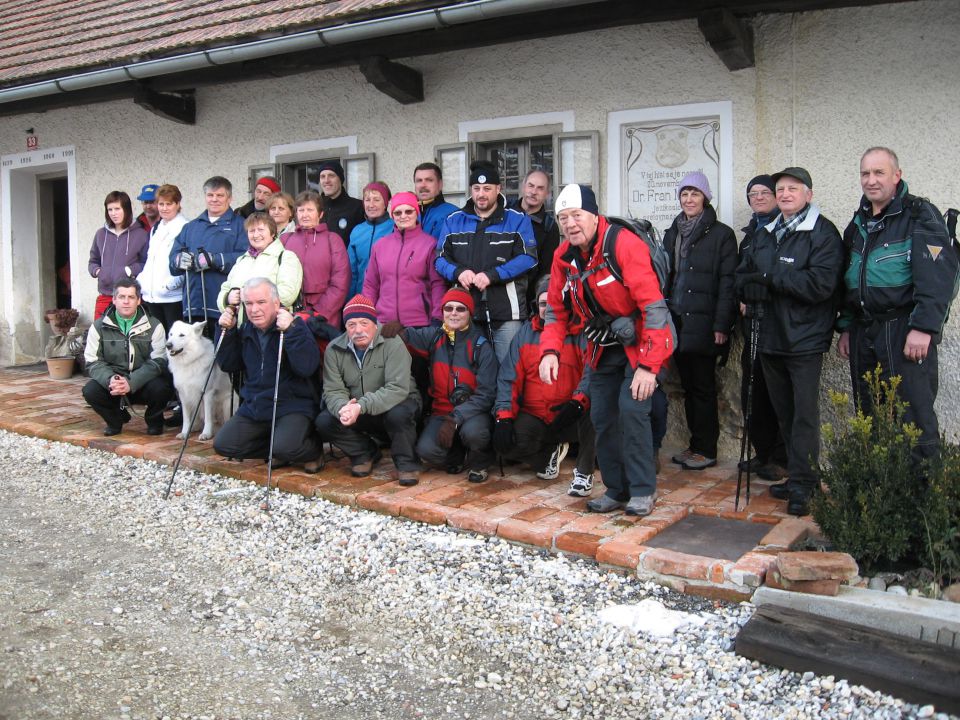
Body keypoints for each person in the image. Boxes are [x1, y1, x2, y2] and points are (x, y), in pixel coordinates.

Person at [539, 184, 673, 517]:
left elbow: (654, 308)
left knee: (633, 410)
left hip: (643, 343)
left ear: (593, 214)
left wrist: (649, 367)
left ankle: (642, 490)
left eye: (576, 215)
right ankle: (616, 489)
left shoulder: (623, 245)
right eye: (563, 218)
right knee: (602, 416)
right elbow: (556, 309)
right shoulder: (563, 257)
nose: (570, 224)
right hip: (603, 347)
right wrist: (550, 351)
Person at [837, 147, 957, 463]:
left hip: (904, 329)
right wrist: (847, 326)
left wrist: (923, 328)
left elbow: (938, 279)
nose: (871, 180)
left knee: (913, 418)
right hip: (864, 330)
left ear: (896, 176)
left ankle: (921, 504)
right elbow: (849, 278)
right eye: (865, 173)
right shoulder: (859, 222)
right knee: (870, 413)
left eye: (879, 173)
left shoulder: (919, 215)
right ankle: (881, 493)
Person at [736, 167, 844, 516]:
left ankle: (806, 484)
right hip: (768, 334)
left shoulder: (823, 233)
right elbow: (745, 272)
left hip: (804, 339)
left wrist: (770, 278)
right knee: (784, 413)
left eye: (792, 189)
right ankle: (796, 473)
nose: (784, 194)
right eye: (780, 189)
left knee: (804, 416)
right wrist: (747, 286)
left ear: (808, 194)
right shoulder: (765, 232)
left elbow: (820, 286)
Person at [494, 276, 597, 496]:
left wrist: (578, 403)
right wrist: (503, 416)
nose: (548, 309)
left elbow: (591, 373)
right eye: (543, 304)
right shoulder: (524, 334)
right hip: (537, 414)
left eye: (554, 303)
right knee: (506, 444)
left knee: (595, 413)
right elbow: (508, 378)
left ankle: (583, 472)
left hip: (572, 412)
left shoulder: (582, 332)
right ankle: (549, 451)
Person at [662, 172, 737, 470]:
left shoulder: (721, 234)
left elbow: (727, 283)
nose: (689, 199)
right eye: (684, 194)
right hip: (677, 322)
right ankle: (695, 446)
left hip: (705, 324)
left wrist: (721, 326)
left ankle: (706, 449)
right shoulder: (673, 232)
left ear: (705, 197)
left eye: (694, 193)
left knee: (703, 388)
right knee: (688, 387)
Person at [213, 277, 323, 472]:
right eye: (249, 304)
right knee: (224, 444)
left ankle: (311, 450)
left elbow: (307, 367)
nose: (254, 310)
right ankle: (277, 450)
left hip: (291, 405)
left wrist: (291, 332)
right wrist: (226, 333)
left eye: (261, 302)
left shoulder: (294, 326)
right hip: (256, 406)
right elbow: (229, 364)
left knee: (285, 446)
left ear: (276, 302)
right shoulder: (246, 330)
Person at [435, 160, 537, 363]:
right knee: (468, 370)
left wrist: (493, 275)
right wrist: (458, 272)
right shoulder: (453, 220)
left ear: (498, 189)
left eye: (487, 188)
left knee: (508, 370)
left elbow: (529, 258)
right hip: (465, 312)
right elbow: (439, 259)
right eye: (476, 188)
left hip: (507, 313)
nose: (481, 194)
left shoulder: (517, 219)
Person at [316, 295, 422, 485]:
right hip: (359, 408)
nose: (358, 330)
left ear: (375, 324)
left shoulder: (392, 343)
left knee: (399, 414)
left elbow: (397, 388)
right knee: (325, 420)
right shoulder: (334, 349)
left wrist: (361, 406)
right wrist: (343, 407)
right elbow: (332, 390)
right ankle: (364, 453)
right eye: (351, 325)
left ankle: (407, 463)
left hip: (396, 404)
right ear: (345, 327)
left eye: (364, 323)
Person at [404, 287, 497, 483]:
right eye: (449, 308)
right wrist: (396, 330)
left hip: (472, 413)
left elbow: (487, 395)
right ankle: (457, 453)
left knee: (474, 434)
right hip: (442, 412)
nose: (453, 313)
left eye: (460, 309)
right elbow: (408, 336)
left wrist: (456, 418)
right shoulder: (436, 336)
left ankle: (480, 462)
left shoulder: (481, 346)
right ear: (442, 311)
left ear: (470, 313)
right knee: (426, 451)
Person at [738, 175, 788, 480]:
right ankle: (764, 451)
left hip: (780, 325)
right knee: (752, 391)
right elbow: (740, 274)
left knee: (778, 393)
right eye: (752, 193)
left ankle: (781, 457)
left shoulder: (783, 229)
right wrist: (743, 295)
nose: (758, 198)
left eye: (764, 192)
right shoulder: (751, 232)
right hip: (752, 322)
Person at [82, 278, 173, 436]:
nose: (126, 301)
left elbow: (158, 361)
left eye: (131, 297)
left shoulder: (154, 325)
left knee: (163, 387)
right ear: (114, 300)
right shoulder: (98, 326)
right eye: (122, 297)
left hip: (143, 381)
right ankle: (115, 420)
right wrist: (111, 379)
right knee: (90, 391)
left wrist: (132, 382)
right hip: (114, 382)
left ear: (138, 300)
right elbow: (93, 361)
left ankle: (154, 421)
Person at [168, 176, 247, 337]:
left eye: (220, 195)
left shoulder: (240, 225)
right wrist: (178, 260)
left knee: (222, 358)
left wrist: (215, 260)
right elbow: (173, 261)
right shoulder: (191, 227)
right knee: (196, 358)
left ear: (229, 198)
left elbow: (246, 259)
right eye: (210, 195)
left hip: (224, 306)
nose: (214, 199)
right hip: (193, 305)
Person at [362, 192, 447, 328]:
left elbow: (437, 284)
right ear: (392, 215)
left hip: (419, 323)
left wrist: (437, 316)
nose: (403, 216)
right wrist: (367, 315)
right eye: (398, 212)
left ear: (416, 213)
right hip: (384, 323)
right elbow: (370, 284)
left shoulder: (429, 244)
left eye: (408, 211)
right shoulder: (380, 246)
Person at [282, 191, 350, 330]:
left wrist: (318, 313)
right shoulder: (285, 239)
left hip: (325, 314)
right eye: (301, 210)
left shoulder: (333, 240)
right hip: (290, 312)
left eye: (310, 210)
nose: (305, 214)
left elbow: (340, 281)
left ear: (320, 214)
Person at [218, 213, 303, 314]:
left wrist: (253, 302)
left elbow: (287, 294)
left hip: (272, 326)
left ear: (272, 233)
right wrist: (227, 298)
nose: (256, 235)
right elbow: (225, 288)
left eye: (261, 230)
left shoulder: (287, 257)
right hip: (241, 328)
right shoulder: (242, 260)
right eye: (252, 231)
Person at [88, 190, 150, 318]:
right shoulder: (101, 234)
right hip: (105, 295)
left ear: (126, 209)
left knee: (127, 335)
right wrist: (98, 271)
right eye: (110, 209)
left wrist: (128, 271)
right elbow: (93, 260)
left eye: (117, 209)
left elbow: (146, 263)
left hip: (129, 296)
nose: (113, 213)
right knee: (99, 334)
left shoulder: (141, 234)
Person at [138, 184, 187, 332]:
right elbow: (150, 261)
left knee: (175, 344)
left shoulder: (185, 227)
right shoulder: (156, 228)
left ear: (178, 204)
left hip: (173, 298)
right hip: (152, 297)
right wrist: (142, 281)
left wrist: (171, 285)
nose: (164, 208)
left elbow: (187, 264)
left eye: (169, 204)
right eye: (161, 204)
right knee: (157, 342)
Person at [508, 169, 561, 306]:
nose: (534, 191)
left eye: (540, 188)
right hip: (495, 290)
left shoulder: (549, 227)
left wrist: (535, 303)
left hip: (527, 298)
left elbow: (545, 271)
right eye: (531, 186)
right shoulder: (504, 212)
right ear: (523, 187)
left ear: (547, 194)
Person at [347, 182, 394, 297]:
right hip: (361, 297)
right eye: (367, 200)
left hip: (388, 299)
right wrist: (350, 300)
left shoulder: (395, 228)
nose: (371, 205)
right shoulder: (357, 231)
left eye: (376, 200)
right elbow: (351, 271)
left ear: (385, 203)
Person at [317, 160, 364, 246]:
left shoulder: (358, 207)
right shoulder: (315, 207)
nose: (326, 180)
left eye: (331, 175)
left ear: (340, 179)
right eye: (322, 176)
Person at [413, 162, 458, 239]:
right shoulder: (408, 214)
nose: (423, 185)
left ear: (440, 184)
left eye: (429, 180)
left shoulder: (454, 215)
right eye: (419, 180)